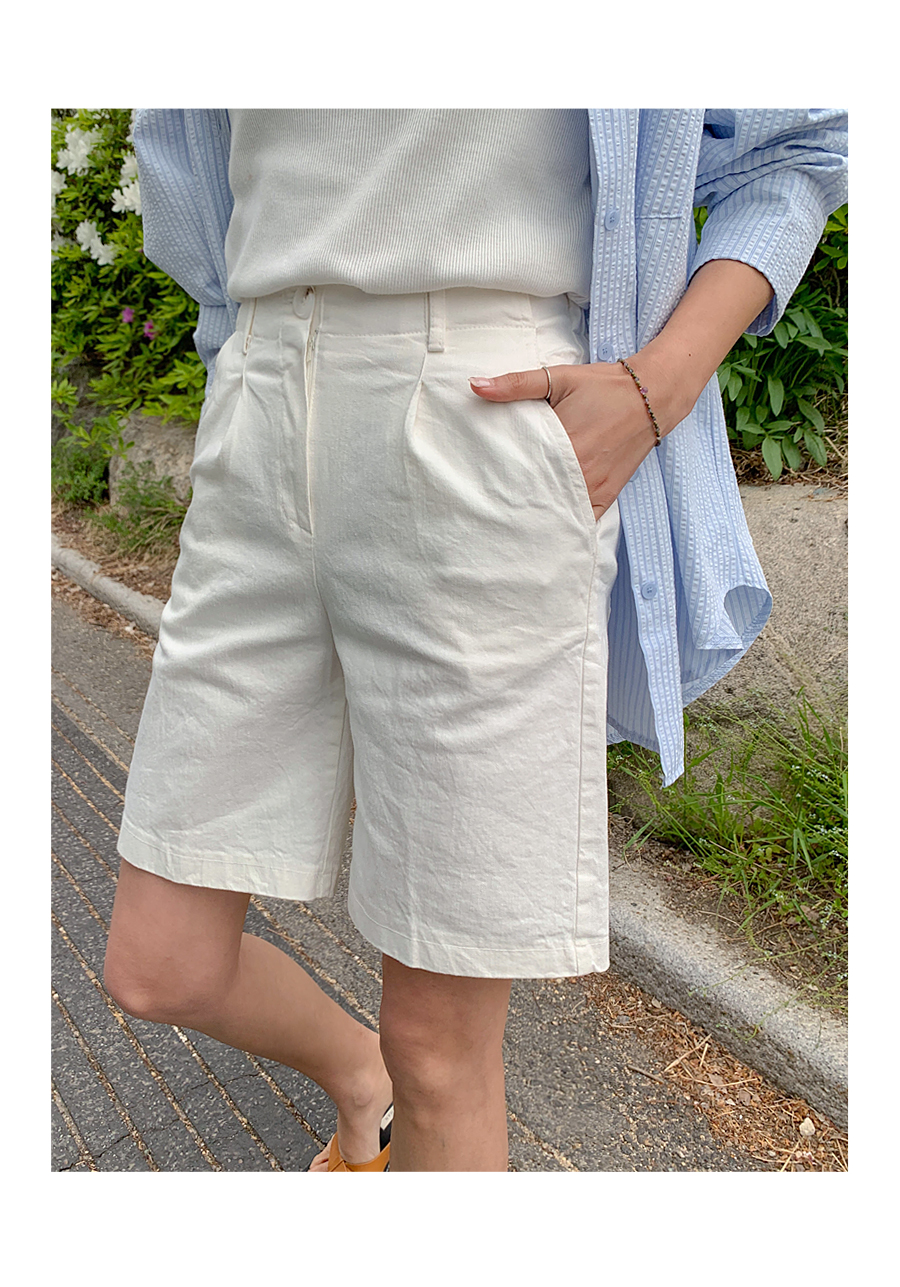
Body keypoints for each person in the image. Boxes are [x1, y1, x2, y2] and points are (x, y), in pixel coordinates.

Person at [102, 109, 848, 1172]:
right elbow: (187, 166)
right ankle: (362, 1080)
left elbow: (799, 150)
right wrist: (241, 374)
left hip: (484, 410)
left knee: (439, 1048)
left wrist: (660, 386)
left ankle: (399, 1094)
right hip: (260, 406)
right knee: (159, 966)